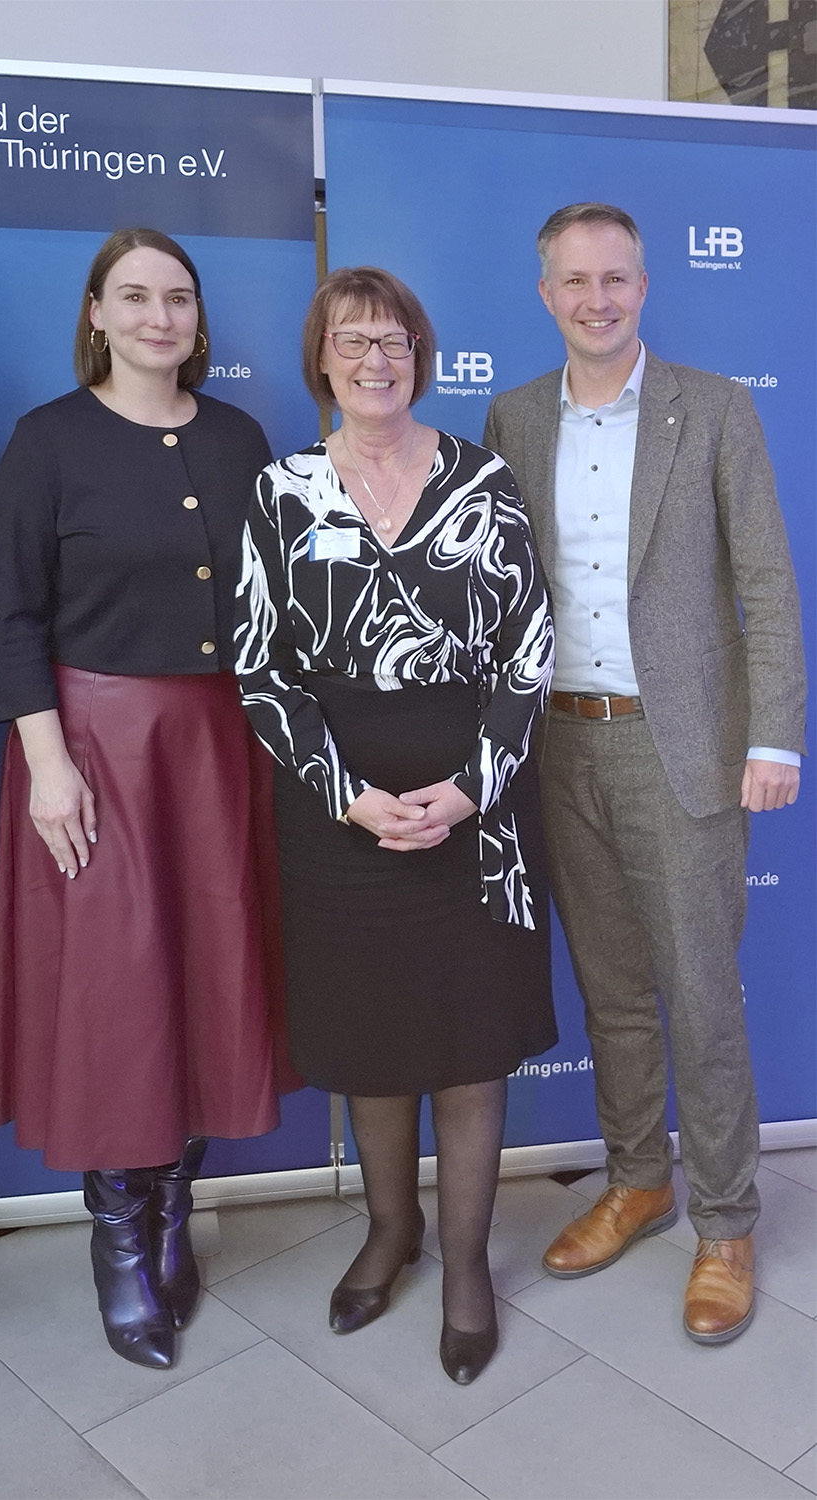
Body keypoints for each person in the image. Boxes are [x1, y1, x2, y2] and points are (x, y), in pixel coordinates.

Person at [483, 202, 806, 1344]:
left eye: (615, 277)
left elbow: (766, 581)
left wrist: (773, 737)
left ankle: (724, 1221)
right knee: (612, 990)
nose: (597, 298)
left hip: (684, 746)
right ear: (546, 295)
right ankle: (637, 1180)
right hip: (559, 742)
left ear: (643, 286)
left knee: (703, 997)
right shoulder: (511, 416)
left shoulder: (715, 408)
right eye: (575, 281)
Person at [234, 266, 557, 1384]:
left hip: (479, 810)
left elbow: (527, 653)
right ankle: (390, 1230)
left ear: (422, 357)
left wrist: (472, 785)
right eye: (352, 341)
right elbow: (262, 669)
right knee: (371, 1045)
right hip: (339, 817)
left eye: (396, 342)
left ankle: (464, 1262)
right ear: (320, 357)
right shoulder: (281, 490)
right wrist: (347, 793)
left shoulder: (487, 480)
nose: (376, 361)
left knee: (470, 1049)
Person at [0, 228, 292, 1372]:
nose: (159, 316)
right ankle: (120, 1237)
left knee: (209, 974)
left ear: (198, 320)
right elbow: (9, 616)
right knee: (120, 992)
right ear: (97, 314)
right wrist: (48, 760)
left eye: (177, 298)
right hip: (95, 748)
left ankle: (174, 1212)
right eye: (135, 297)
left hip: (220, 745)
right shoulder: (48, 442)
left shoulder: (240, 437)